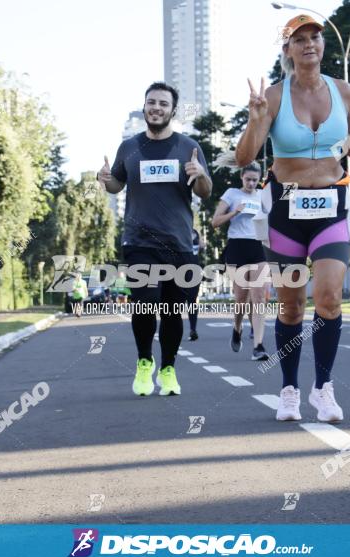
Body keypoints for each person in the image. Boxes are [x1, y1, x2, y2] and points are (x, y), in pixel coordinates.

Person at [234, 14, 350, 422]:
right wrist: (254, 122)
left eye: (315, 37)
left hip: (333, 206)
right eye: (299, 39)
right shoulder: (271, 96)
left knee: (329, 297)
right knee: (290, 308)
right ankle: (289, 391)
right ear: (287, 50)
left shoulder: (343, 91)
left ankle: (323, 389)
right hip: (285, 209)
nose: (309, 44)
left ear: (323, 45)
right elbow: (245, 158)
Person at [98, 81, 212, 397]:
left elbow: (205, 191)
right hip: (139, 242)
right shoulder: (129, 147)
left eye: (163, 103)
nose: (156, 108)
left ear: (172, 110)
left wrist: (200, 174)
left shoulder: (187, 146)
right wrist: (104, 180)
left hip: (178, 243)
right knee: (145, 305)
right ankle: (145, 361)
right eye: (152, 102)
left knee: (174, 312)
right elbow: (116, 185)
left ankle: (169, 368)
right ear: (145, 106)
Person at [212, 162, 269, 360]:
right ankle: (237, 328)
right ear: (241, 178)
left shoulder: (263, 195)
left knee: (259, 296)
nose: (252, 183)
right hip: (237, 247)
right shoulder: (232, 194)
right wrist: (234, 212)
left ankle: (259, 346)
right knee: (241, 299)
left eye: (255, 180)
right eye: (248, 179)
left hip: (258, 247)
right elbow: (215, 222)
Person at [187, 228, 203, 341]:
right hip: (180, 269)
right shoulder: (177, 228)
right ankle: (193, 329)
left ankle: (193, 329)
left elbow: (202, 245)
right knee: (190, 301)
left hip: (193, 270)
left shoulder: (195, 232)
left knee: (192, 301)